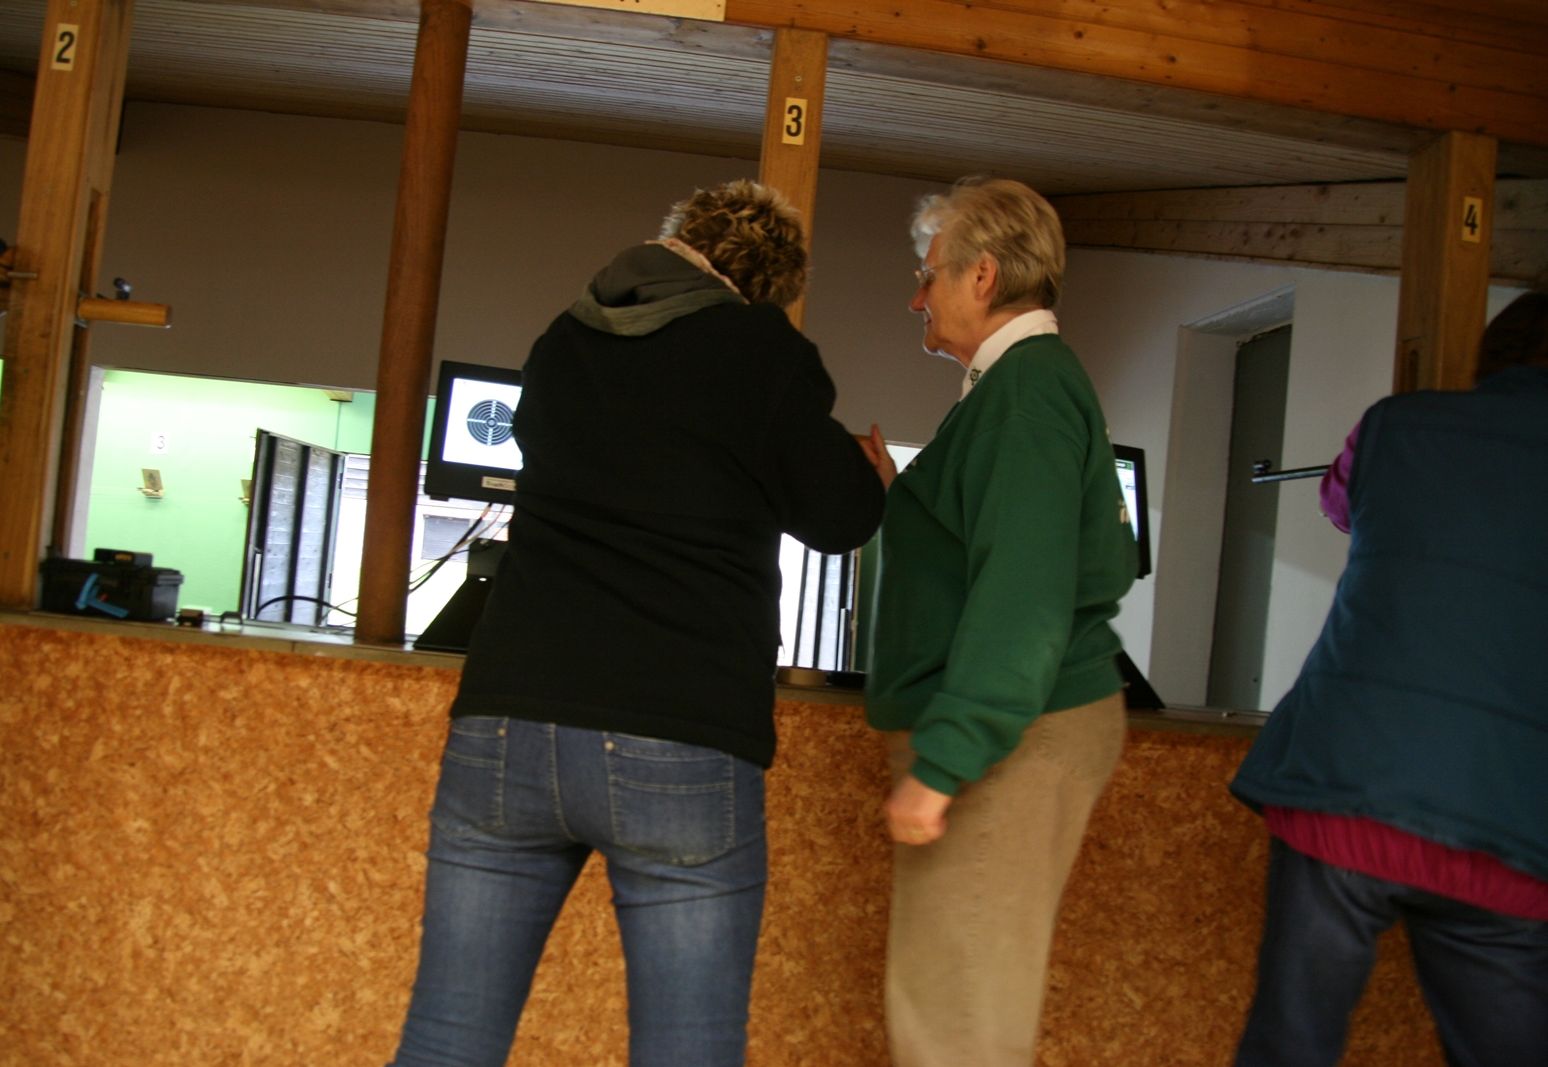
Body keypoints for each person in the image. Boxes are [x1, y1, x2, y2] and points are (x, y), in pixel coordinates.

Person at [388, 180, 885, 1067]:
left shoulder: (565, 337)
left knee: (447, 1041)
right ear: (765, 285)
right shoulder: (759, 351)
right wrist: (871, 476)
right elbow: (837, 516)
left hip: (507, 718)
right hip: (678, 731)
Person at [859, 177, 1139, 1067]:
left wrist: (945, 760)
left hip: (1010, 740)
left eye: (928, 274)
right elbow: (989, 548)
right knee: (949, 1011)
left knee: (958, 1029)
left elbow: (1023, 597)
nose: (917, 298)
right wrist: (904, 501)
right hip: (1009, 732)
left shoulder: (1025, 393)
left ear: (982, 275)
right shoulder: (1012, 389)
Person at [1228, 290, 1548, 1067]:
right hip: (1512, 825)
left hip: (1345, 789)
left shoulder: (1392, 425)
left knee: (1288, 1045)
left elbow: (1340, 505)